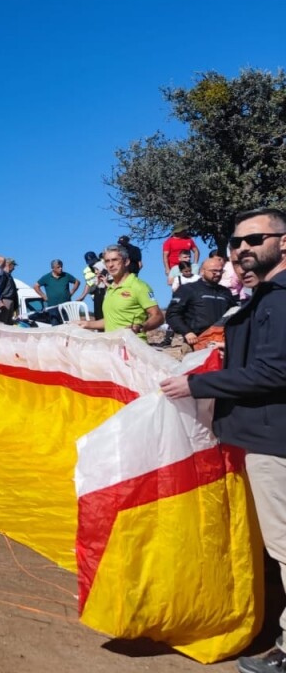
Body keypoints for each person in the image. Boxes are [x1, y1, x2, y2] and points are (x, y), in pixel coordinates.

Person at [159, 208, 286, 673]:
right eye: (236, 243)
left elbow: (277, 370)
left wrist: (197, 386)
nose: (241, 250)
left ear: (284, 242)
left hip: (275, 438)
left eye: (254, 239)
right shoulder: (266, 296)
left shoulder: (278, 299)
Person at [75, 244, 163, 339]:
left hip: (132, 347)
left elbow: (158, 316)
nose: (111, 265)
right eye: (107, 261)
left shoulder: (139, 286)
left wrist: (141, 327)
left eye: (115, 260)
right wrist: (85, 324)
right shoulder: (110, 288)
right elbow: (111, 321)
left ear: (126, 262)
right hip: (113, 347)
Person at [164, 257, 236, 352]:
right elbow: (172, 314)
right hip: (195, 342)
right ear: (202, 271)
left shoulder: (225, 292)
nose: (218, 274)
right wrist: (187, 332)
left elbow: (234, 316)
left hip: (220, 344)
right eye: (214, 271)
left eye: (221, 271)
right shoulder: (188, 289)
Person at [79, 250, 109, 320]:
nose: (92, 264)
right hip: (96, 294)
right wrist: (83, 295)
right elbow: (88, 283)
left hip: (107, 292)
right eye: (90, 263)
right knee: (99, 316)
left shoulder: (103, 263)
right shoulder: (86, 271)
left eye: (94, 262)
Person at [0, 258, 20, 323]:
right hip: (5, 301)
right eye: (13, 265)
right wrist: (0, 302)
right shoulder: (3, 275)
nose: (14, 268)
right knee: (3, 322)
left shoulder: (9, 276)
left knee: (9, 322)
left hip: (10, 301)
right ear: (8, 264)